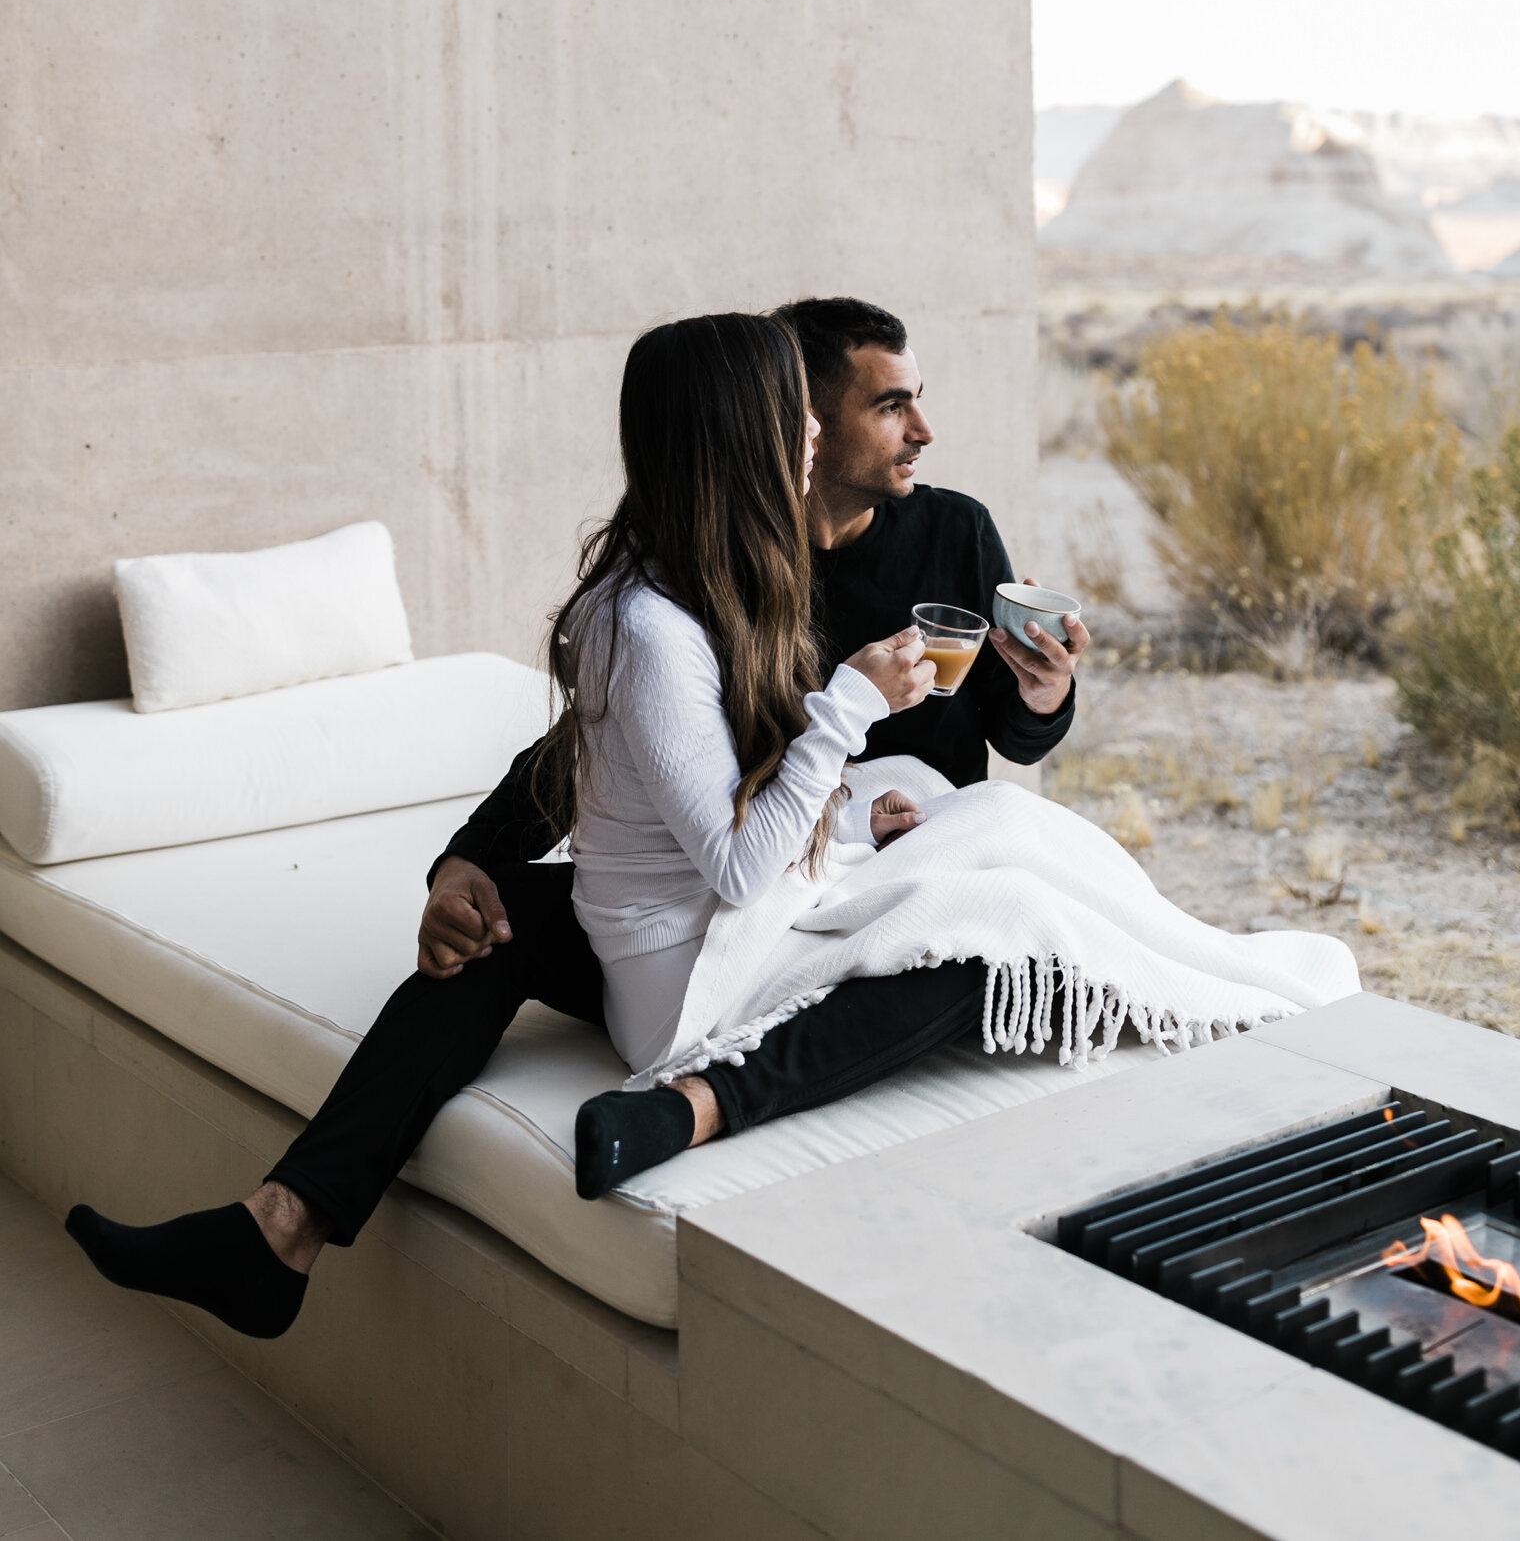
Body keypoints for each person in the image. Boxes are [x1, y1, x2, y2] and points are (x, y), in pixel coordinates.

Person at [58, 314, 987, 1341]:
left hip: (785, 872)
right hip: (720, 933)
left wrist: (864, 809)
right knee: (977, 947)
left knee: (528, 919)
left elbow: (725, 775)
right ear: (750, 433)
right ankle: (688, 1105)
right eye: (820, 413)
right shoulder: (673, 605)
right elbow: (623, 774)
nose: (822, 434)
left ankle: (278, 1230)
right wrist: (466, 859)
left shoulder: (817, 558)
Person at [778, 297, 1086, 785]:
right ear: (808, 423)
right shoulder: (741, 556)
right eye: (892, 407)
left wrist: (1046, 692)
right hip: (805, 843)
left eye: (917, 400)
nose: (924, 432)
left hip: (945, 832)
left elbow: (1017, 741)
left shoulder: (958, 527)